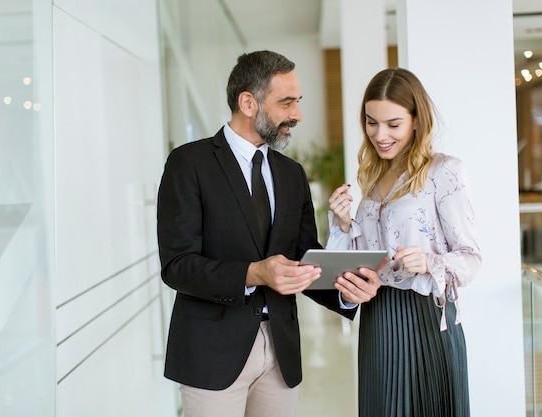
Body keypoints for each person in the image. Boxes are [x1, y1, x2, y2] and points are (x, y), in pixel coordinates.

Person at [157, 50, 381, 417]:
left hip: (280, 352)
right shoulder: (188, 164)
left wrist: (349, 289)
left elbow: (305, 259)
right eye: (287, 102)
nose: (297, 114)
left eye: (298, 102)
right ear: (248, 102)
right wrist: (254, 273)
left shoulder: (292, 174)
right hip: (211, 354)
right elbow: (177, 265)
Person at [326, 68, 482, 417]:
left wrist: (430, 262)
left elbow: (471, 258)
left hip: (426, 317)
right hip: (379, 319)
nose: (380, 134)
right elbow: (364, 263)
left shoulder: (444, 171)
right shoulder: (372, 178)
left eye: (393, 124)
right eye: (371, 122)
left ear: (416, 120)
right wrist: (342, 224)